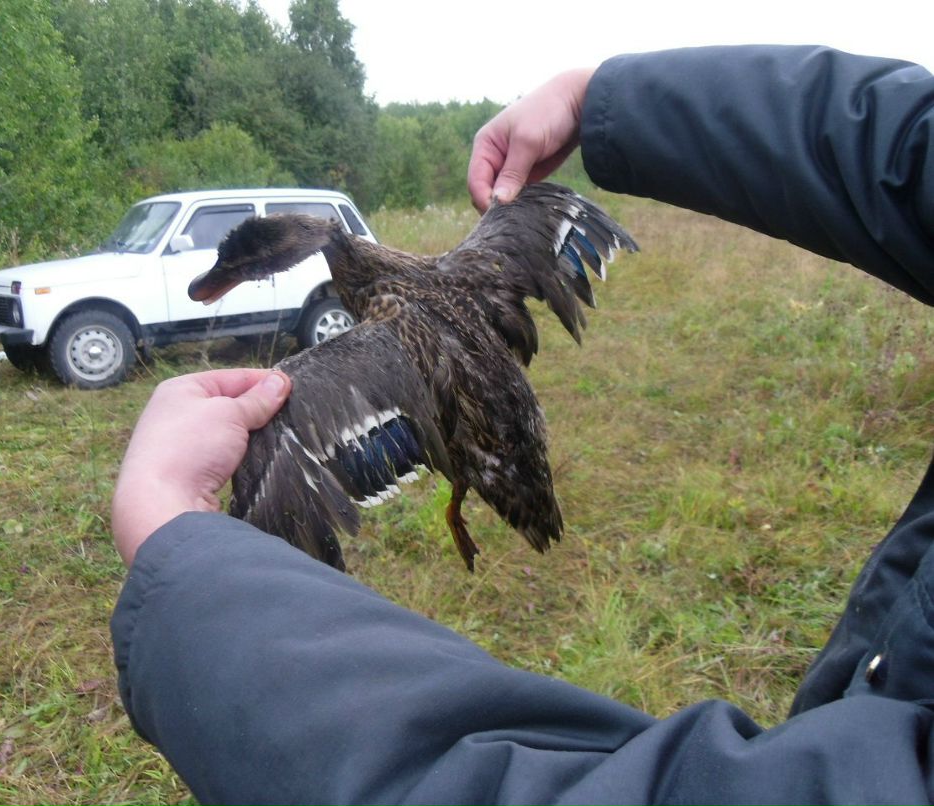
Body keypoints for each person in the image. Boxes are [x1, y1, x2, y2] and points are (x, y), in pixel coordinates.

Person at [111, 45, 934, 804]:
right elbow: (901, 149)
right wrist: (599, 99)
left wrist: (184, 540)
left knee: (268, 441)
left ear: (279, 259)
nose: (234, 280)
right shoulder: (497, 235)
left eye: (244, 268)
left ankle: (458, 486)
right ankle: (459, 483)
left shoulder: (353, 325)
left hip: (494, 447)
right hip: (499, 416)